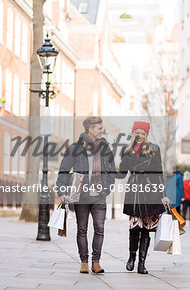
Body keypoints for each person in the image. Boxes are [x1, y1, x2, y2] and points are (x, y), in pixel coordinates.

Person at [56, 116, 116, 274]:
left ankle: (96, 262)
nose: (102, 130)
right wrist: (62, 191)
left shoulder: (106, 149)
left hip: (99, 195)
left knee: (100, 228)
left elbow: (112, 172)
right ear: (90, 129)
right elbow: (64, 170)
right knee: (82, 229)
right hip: (80, 194)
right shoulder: (74, 148)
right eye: (99, 128)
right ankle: (84, 262)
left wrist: (107, 187)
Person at [115, 121, 170, 274]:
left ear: (146, 135)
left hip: (150, 190)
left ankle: (142, 263)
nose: (140, 135)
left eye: (143, 133)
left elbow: (159, 173)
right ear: (133, 134)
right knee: (134, 228)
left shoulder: (155, 149)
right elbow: (122, 173)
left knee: (146, 229)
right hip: (134, 190)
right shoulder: (127, 151)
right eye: (137, 132)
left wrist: (163, 195)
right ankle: (131, 258)